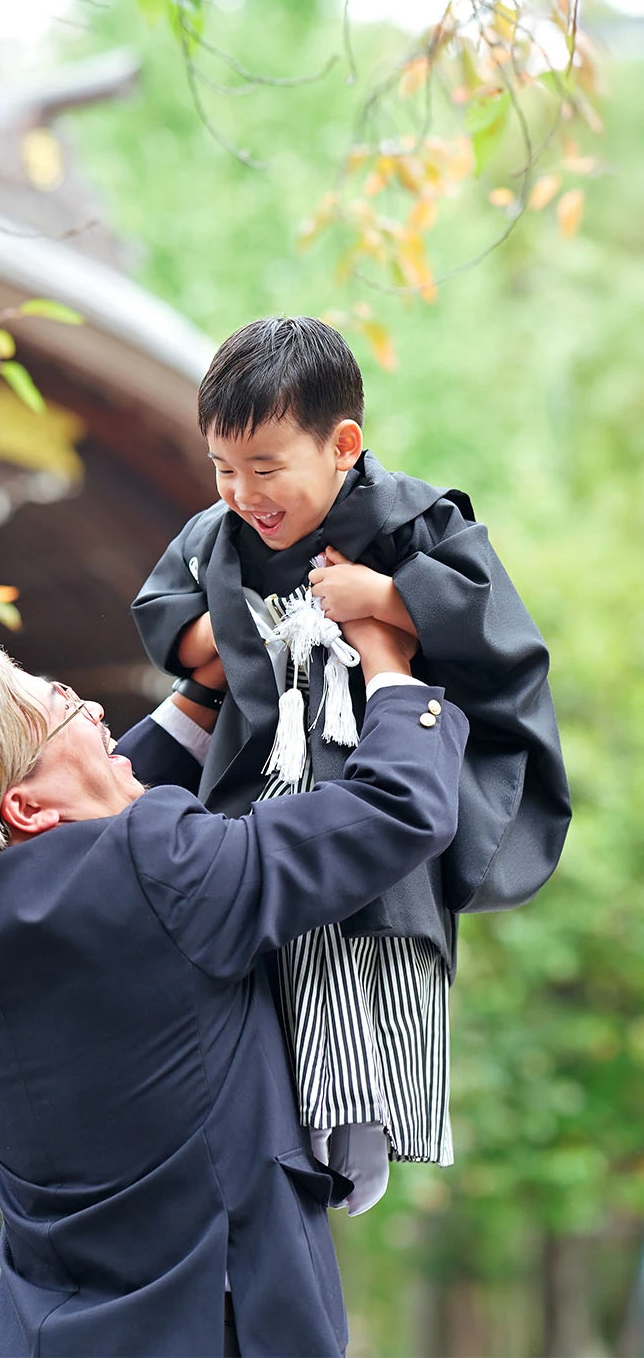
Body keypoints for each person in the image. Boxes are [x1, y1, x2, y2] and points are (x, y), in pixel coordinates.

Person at [0, 622, 468, 1358]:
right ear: (25, 808)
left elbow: (75, 828)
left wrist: (200, 693)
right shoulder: (158, 870)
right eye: (60, 708)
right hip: (215, 1327)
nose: (92, 710)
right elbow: (397, 810)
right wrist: (391, 666)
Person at [132, 315, 571, 1215]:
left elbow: (499, 631)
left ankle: (360, 1127)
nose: (242, 492)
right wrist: (245, 623)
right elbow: (168, 620)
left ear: (342, 446)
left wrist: (391, 600)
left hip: (371, 770)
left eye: (264, 468)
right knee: (245, 959)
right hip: (257, 785)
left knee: (365, 946)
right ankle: (259, 1125)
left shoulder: (417, 519)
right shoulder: (214, 538)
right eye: (222, 467)